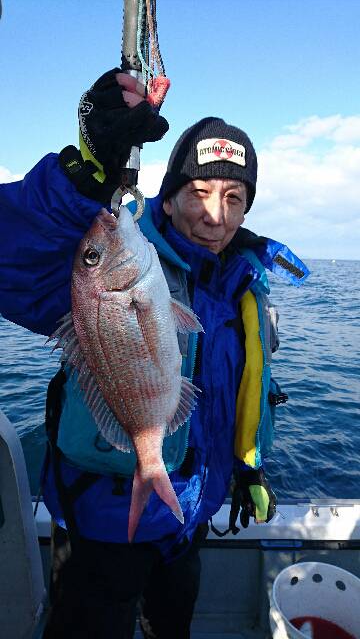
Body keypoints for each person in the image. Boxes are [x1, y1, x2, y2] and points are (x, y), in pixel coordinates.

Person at [0, 69, 308, 639]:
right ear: (165, 199)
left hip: (188, 513)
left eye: (233, 197)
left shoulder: (245, 287)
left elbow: (240, 393)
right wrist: (88, 173)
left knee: (173, 626)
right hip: (103, 522)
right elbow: (11, 254)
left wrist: (248, 467)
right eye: (198, 193)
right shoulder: (108, 260)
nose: (215, 214)